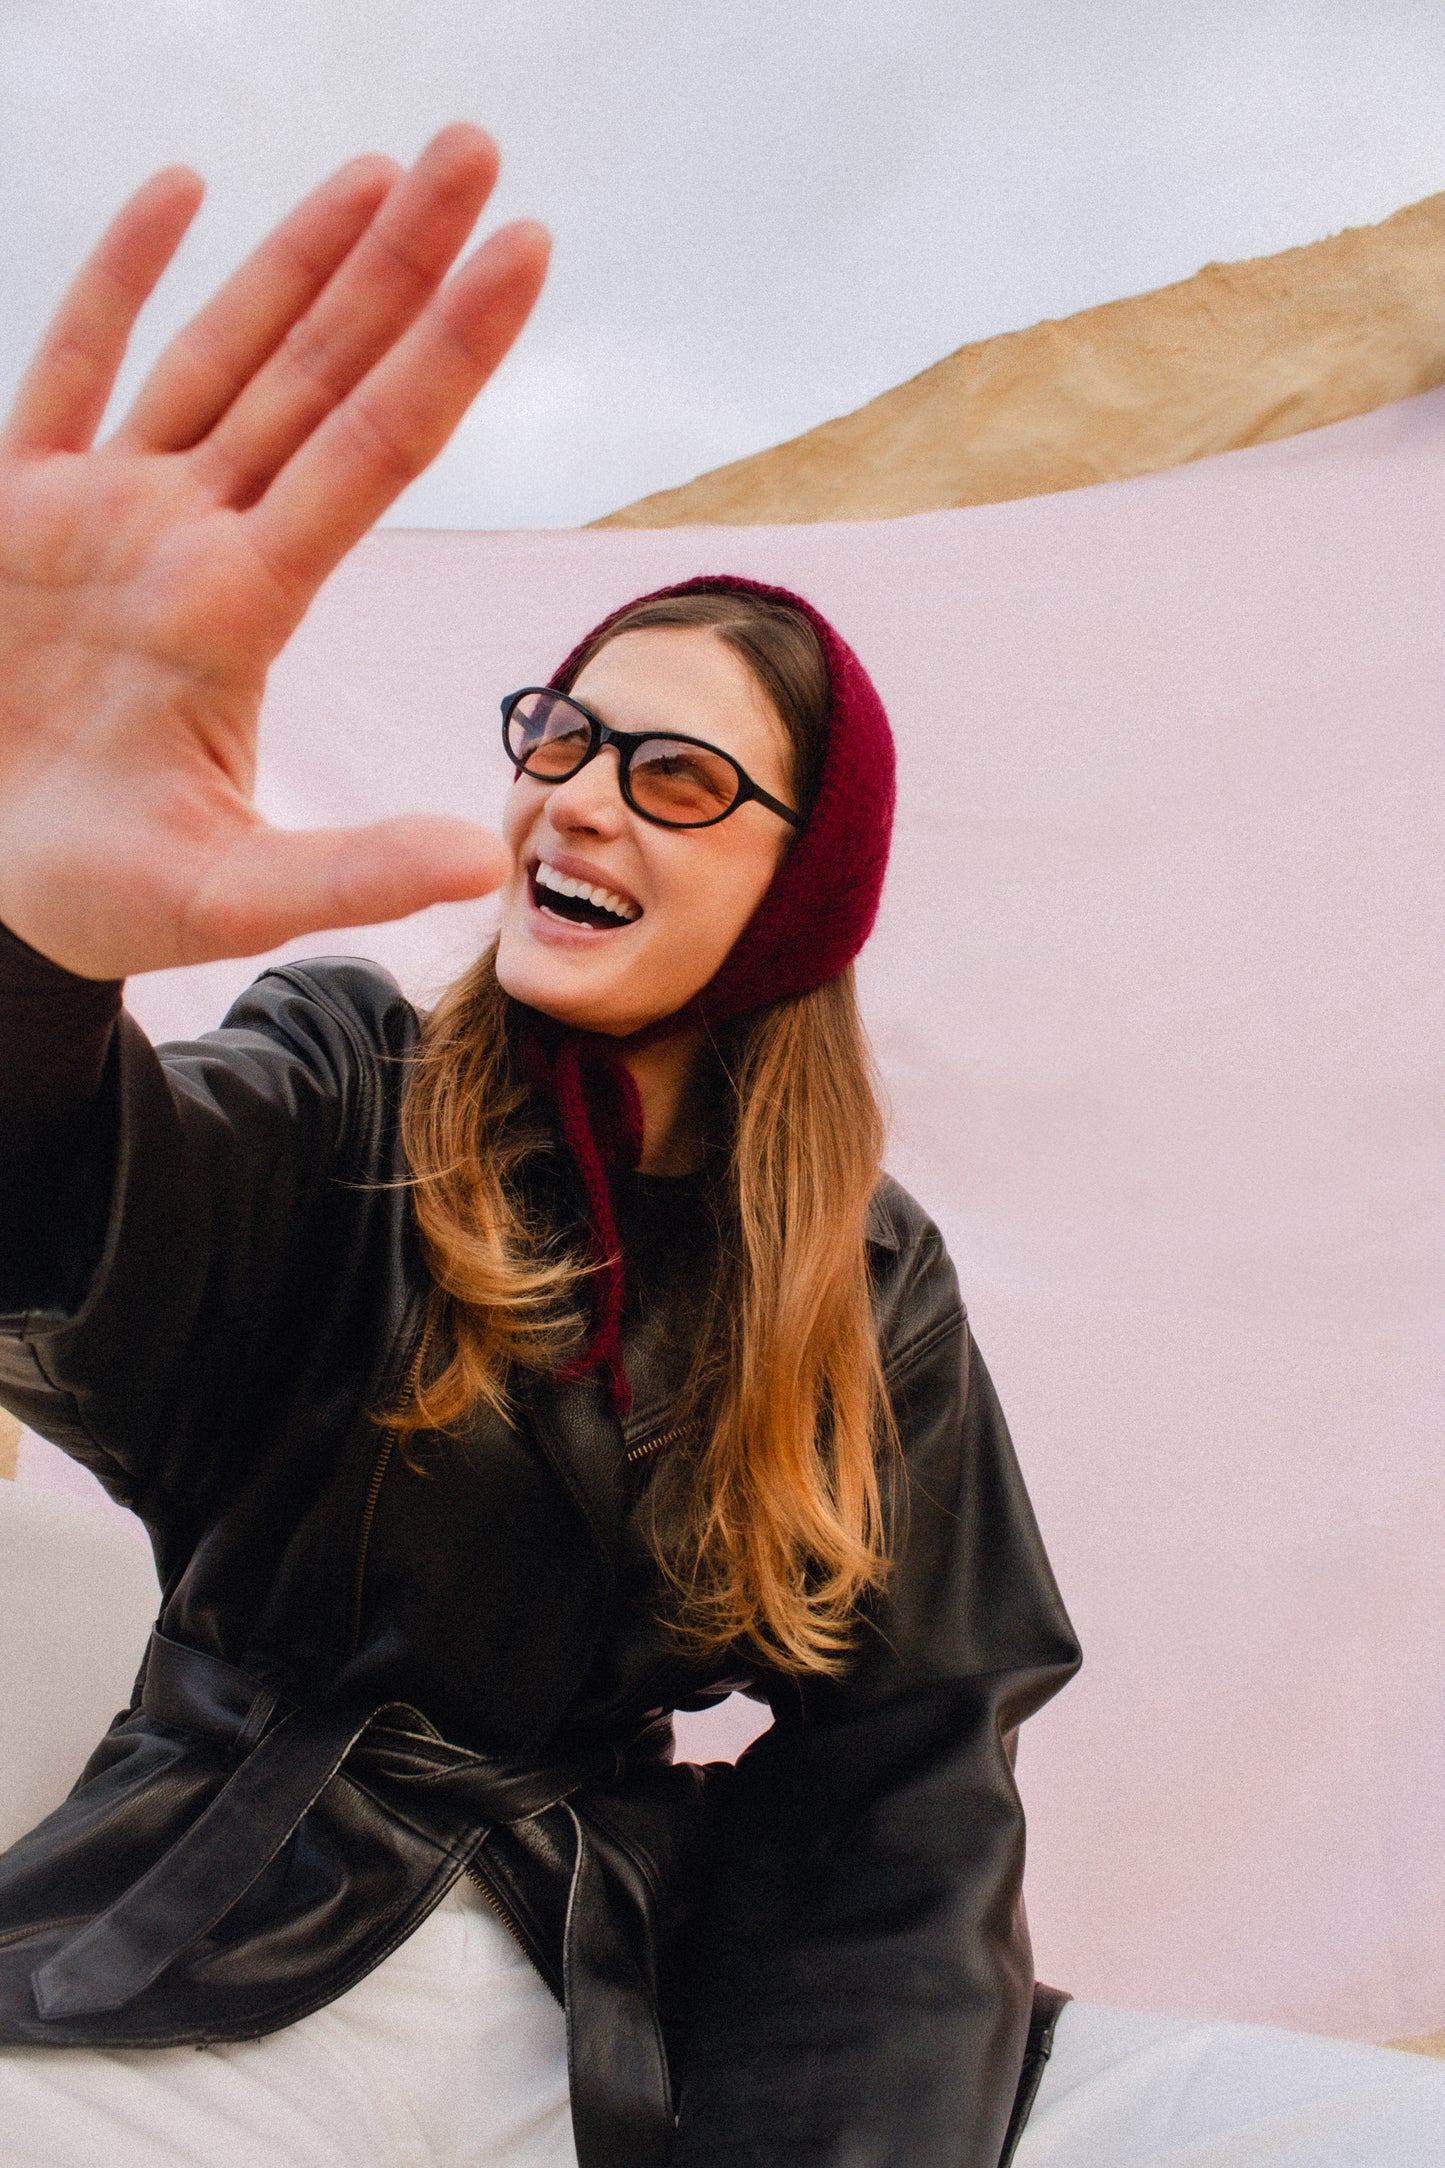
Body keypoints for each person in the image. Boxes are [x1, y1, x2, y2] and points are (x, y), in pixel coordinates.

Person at [0, 127, 1440, 2168]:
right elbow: (67, 1227)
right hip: (225, 1936)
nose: (581, 798)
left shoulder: (864, 1278)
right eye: (564, 738)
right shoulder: (343, 1078)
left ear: (798, 894)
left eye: (674, 773)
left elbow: (907, 1780)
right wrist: (27, 957)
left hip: (627, 1994)